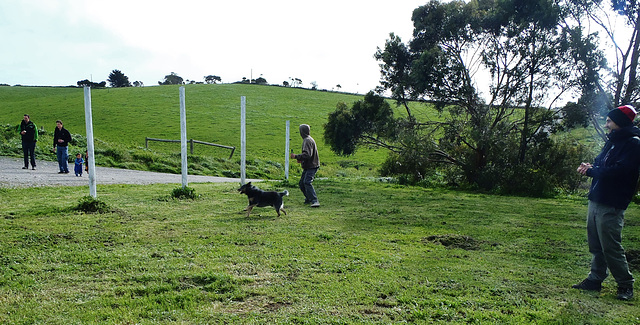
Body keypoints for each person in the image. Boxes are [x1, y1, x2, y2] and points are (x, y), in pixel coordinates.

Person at [573, 104, 638, 301]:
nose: (607, 124)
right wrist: (591, 166)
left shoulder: (633, 144)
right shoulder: (613, 141)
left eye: (610, 120)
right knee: (596, 244)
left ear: (619, 122)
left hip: (612, 201)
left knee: (610, 246)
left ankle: (625, 285)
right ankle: (595, 279)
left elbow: (620, 171)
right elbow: (603, 163)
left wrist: (593, 171)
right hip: (597, 198)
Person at [290, 124, 320, 207]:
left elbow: (307, 155)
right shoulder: (309, 139)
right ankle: (309, 198)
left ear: (302, 132)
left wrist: (296, 156)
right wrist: (301, 159)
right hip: (309, 165)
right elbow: (307, 155)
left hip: (312, 165)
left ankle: (315, 201)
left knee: (307, 182)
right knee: (301, 183)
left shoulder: (307, 140)